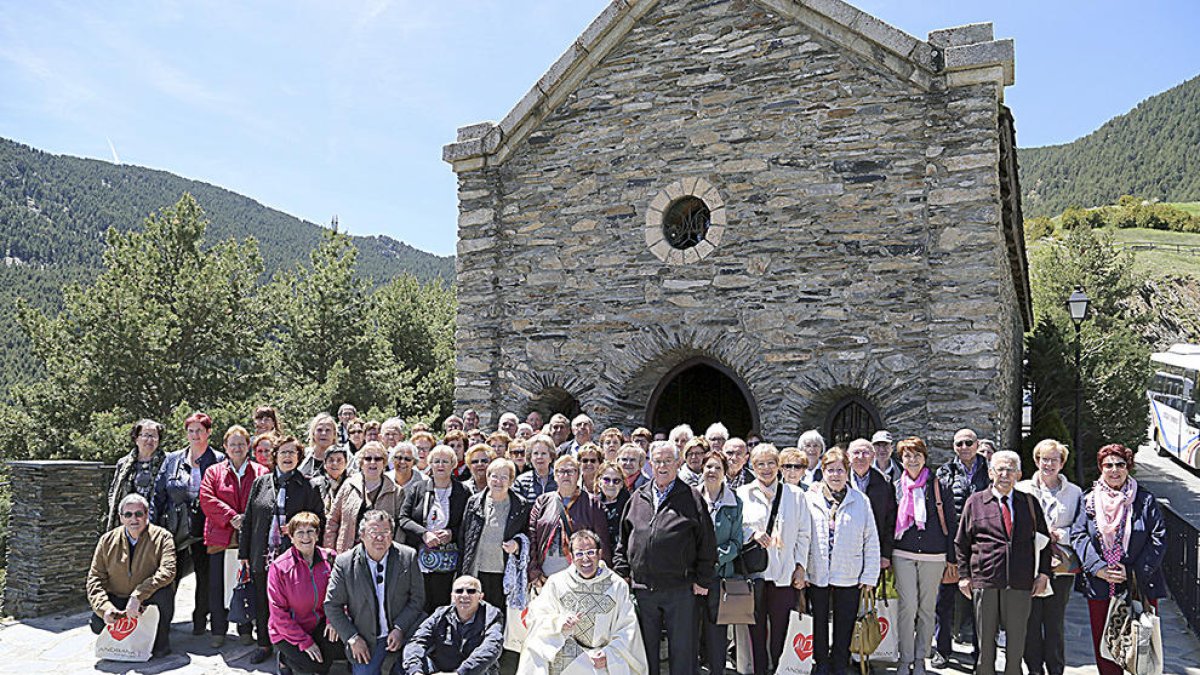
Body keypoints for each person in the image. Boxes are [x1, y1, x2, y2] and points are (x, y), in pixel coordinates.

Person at [614, 441, 716, 675]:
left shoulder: (691, 498)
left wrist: (703, 578)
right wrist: (623, 573)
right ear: (650, 464)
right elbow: (623, 538)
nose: (662, 466)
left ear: (678, 464)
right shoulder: (638, 497)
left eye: (668, 461)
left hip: (679, 589)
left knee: (683, 652)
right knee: (644, 652)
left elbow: (707, 543)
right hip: (643, 589)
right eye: (658, 461)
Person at [1070, 443, 1167, 675]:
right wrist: (1097, 567)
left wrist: (1133, 571)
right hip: (1101, 583)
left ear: (1128, 467)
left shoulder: (1144, 500)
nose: (1114, 470)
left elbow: (1158, 537)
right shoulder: (1089, 500)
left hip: (1139, 584)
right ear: (1101, 469)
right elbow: (1078, 535)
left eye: (1120, 465)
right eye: (1108, 465)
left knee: (1140, 642)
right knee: (1105, 645)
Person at [955, 450, 1051, 675]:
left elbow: (1045, 542)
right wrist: (964, 576)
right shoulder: (975, 502)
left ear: (1018, 474)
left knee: (1016, 644)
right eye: (1000, 469)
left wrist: (1044, 574)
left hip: (1020, 581)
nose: (1005, 474)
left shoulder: (1029, 503)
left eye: (1011, 469)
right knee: (985, 645)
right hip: (985, 580)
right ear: (990, 473)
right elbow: (961, 543)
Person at [241, 435, 327, 664]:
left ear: (299, 457)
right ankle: (264, 643)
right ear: (275, 456)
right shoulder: (261, 483)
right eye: (284, 452)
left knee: (290, 605)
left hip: (294, 556)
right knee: (262, 601)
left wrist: (298, 527)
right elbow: (249, 519)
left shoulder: (308, 485)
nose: (288, 456)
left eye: (293, 452)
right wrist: (243, 554)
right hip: (263, 552)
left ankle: (288, 647)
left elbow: (320, 519)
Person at [519, 530, 648, 675]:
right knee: (534, 646)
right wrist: (559, 622)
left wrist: (609, 653)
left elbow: (628, 628)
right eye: (579, 554)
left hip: (602, 655)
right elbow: (536, 617)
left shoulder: (617, 585)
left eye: (591, 552)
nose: (585, 559)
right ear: (571, 557)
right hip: (568, 651)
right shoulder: (557, 582)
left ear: (599, 554)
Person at [805, 447, 881, 675]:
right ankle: (821, 661)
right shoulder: (810, 498)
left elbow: (871, 539)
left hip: (849, 571)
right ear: (822, 471)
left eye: (840, 470)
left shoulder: (860, 500)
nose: (835, 475)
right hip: (817, 571)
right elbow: (802, 535)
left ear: (847, 472)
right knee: (818, 620)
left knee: (845, 620)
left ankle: (840, 661)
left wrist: (869, 576)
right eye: (830, 470)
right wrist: (802, 569)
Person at [739, 443, 812, 675]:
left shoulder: (796, 495)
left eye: (771, 463)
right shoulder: (742, 494)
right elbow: (735, 529)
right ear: (753, 466)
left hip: (784, 573)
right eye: (760, 464)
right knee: (756, 632)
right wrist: (751, 534)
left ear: (778, 466)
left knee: (781, 631)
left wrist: (801, 568)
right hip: (755, 575)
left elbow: (804, 534)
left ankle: (780, 671)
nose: (766, 468)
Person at [325, 510, 426, 675]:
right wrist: (353, 638)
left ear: (392, 535)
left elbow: (417, 599)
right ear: (362, 535)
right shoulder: (345, 563)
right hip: (366, 639)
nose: (380, 538)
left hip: (405, 632)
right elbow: (332, 605)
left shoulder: (408, 556)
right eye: (373, 533)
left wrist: (400, 627)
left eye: (385, 532)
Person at [1016, 438, 1083, 675]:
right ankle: (1034, 669)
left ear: (1062, 463)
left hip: (1060, 565)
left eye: (1054, 459)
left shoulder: (1074, 493)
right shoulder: (1022, 488)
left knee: (1054, 621)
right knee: (1030, 621)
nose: (1049, 464)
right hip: (1028, 563)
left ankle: (1056, 669)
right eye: (1044, 459)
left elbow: (1081, 527)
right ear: (1036, 461)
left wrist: (1060, 534)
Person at [154, 411, 224, 637]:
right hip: (175, 527)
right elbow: (159, 494)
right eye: (191, 431)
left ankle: (200, 621)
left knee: (205, 576)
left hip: (207, 527)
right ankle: (162, 622)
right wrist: (152, 526)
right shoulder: (172, 460)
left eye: (200, 431)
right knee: (169, 575)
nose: (195, 435)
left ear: (208, 433)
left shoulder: (219, 460)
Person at [891, 437, 957, 675]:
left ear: (925, 457)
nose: (912, 459)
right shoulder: (896, 486)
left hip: (934, 555)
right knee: (907, 607)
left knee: (927, 609)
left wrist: (951, 557)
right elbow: (890, 521)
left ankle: (921, 658)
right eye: (907, 455)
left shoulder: (939, 485)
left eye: (917, 454)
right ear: (901, 459)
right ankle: (905, 658)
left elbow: (951, 522)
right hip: (903, 553)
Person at [199, 425, 269, 647]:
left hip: (250, 540)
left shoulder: (261, 472)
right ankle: (218, 630)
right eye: (233, 444)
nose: (237, 448)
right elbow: (207, 499)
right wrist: (231, 517)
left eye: (241, 443)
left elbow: (265, 501)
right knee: (217, 586)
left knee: (246, 584)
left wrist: (246, 520)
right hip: (221, 538)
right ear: (225, 448)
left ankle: (245, 628)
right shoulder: (213, 472)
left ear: (248, 446)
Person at [87, 494, 176, 659]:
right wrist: (104, 608)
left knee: (165, 594)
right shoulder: (106, 541)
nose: (133, 519)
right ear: (121, 518)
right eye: (128, 514)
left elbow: (168, 571)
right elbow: (95, 579)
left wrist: (138, 595)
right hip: (118, 598)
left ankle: (160, 640)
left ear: (147, 514)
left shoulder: (163, 537)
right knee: (97, 624)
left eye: (139, 514)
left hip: (147, 599)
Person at [932, 427, 991, 668]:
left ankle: (981, 654)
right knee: (943, 603)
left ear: (977, 445)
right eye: (959, 444)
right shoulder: (945, 472)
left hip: (982, 547)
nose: (964, 447)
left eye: (968, 442)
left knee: (981, 605)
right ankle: (942, 650)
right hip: (952, 546)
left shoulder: (990, 471)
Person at [398, 445, 470, 613]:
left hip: (448, 562)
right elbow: (403, 518)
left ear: (453, 464)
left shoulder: (463, 491)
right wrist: (424, 534)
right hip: (420, 559)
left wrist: (452, 533)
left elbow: (468, 524)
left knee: (442, 604)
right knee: (420, 603)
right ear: (430, 464)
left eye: (445, 461)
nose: (440, 465)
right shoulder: (418, 488)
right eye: (436, 461)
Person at [267, 511, 340, 675]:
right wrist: (305, 642)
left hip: (319, 623)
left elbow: (341, 594)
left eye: (310, 531)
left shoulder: (330, 559)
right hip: (287, 630)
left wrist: (332, 620)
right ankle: (285, 659)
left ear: (317, 534)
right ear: (291, 537)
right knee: (310, 667)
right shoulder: (280, 567)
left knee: (324, 665)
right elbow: (278, 613)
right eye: (300, 532)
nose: (305, 537)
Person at [458, 457, 530, 613]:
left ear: (511, 481)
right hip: (477, 571)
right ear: (488, 477)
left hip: (503, 574)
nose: (498, 481)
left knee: (499, 617)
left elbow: (527, 535)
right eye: (494, 476)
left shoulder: (521, 505)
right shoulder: (474, 502)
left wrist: (517, 544)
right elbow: (464, 538)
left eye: (504, 477)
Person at [529, 455, 612, 588]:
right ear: (555, 476)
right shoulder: (543, 501)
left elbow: (602, 541)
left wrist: (599, 576)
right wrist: (534, 572)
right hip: (547, 576)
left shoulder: (593, 503)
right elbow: (532, 538)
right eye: (561, 471)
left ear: (578, 475)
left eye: (571, 471)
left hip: (582, 576)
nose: (566, 475)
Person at [403, 575, 505, 675]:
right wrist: (416, 671)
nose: (464, 595)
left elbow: (492, 647)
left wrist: (460, 673)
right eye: (459, 591)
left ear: (480, 597)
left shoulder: (492, 615)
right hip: (443, 671)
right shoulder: (440, 614)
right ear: (452, 596)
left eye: (471, 591)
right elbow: (416, 641)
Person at [699, 450, 743, 675]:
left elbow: (737, 542)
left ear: (725, 472)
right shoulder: (691, 498)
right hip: (694, 578)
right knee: (693, 631)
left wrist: (713, 561)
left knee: (717, 633)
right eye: (708, 467)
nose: (712, 471)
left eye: (717, 467)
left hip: (720, 577)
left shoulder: (735, 502)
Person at [326, 441, 404, 553]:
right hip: (347, 552)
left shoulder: (396, 491)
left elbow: (400, 528)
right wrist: (329, 549)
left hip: (382, 555)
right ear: (361, 463)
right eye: (368, 458)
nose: (373, 462)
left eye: (378, 459)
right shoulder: (349, 485)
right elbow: (333, 520)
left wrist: (394, 553)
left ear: (384, 463)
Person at [107, 418, 166, 530]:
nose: (150, 440)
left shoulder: (169, 461)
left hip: (159, 522)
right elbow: (113, 492)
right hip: (129, 522)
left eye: (154, 436)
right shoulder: (123, 463)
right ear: (136, 438)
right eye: (146, 435)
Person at [848, 437, 896, 571]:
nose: (860, 457)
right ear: (848, 456)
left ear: (873, 456)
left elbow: (890, 521)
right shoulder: (838, 480)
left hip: (872, 551)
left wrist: (885, 554)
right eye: (856, 453)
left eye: (865, 453)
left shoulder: (884, 484)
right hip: (843, 551)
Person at [595, 460, 630, 557]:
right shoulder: (592, 505)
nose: (611, 484)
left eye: (616, 481)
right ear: (599, 482)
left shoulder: (631, 505)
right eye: (606, 480)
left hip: (623, 558)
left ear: (622, 484)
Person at [513, 434, 558, 501]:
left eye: (543, 453)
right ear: (530, 457)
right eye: (536, 453)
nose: (539, 457)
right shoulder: (521, 481)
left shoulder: (559, 479)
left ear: (551, 457)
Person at [299, 413, 341, 478]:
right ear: (313, 433)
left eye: (328, 430)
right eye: (319, 430)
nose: (323, 433)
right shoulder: (302, 455)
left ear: (334, 434)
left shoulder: (343, 457)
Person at [313, 445, 351, 516]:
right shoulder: (315, 484)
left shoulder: (352, 485)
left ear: (346, 464)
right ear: (324, 464)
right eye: (331, 460)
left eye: (339, 460)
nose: (335, 463)